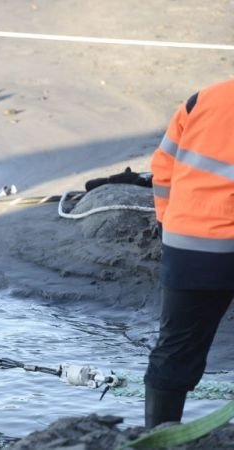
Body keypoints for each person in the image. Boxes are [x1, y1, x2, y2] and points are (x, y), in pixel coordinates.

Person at [144, 79, 234, 428]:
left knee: (175, 350)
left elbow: (163, 165)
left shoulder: (204, 99)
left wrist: (170, 222)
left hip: (189, 246)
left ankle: (158, 435)